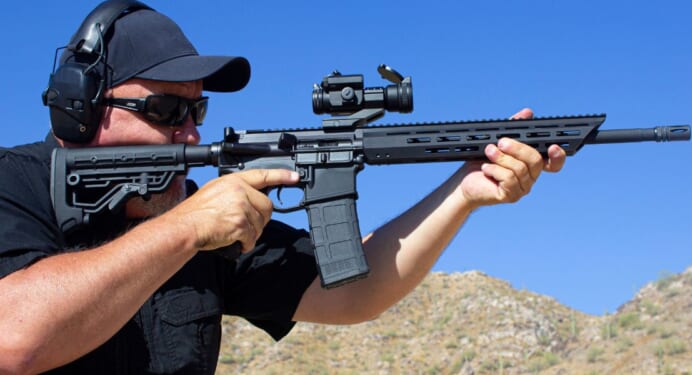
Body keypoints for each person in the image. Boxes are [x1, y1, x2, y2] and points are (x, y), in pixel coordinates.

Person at [0, 1, 566, 374]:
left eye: (196, 107)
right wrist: (187, 228)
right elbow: (16, 336)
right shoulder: (15, 185)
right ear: (81, 107)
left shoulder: (202, 221)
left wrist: (465, 189)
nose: (190, 129)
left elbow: (352, 294)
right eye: (168, 108)